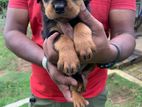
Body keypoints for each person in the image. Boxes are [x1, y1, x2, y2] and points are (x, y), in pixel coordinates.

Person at [4, 0, 136, 107]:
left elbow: (125, 34)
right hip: (43, 92)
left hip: (92, 90)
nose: (59, 4)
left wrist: (108, 53)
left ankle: (77, 90)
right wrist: (46, 62)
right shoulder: (49, 16)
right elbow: (12, 32)